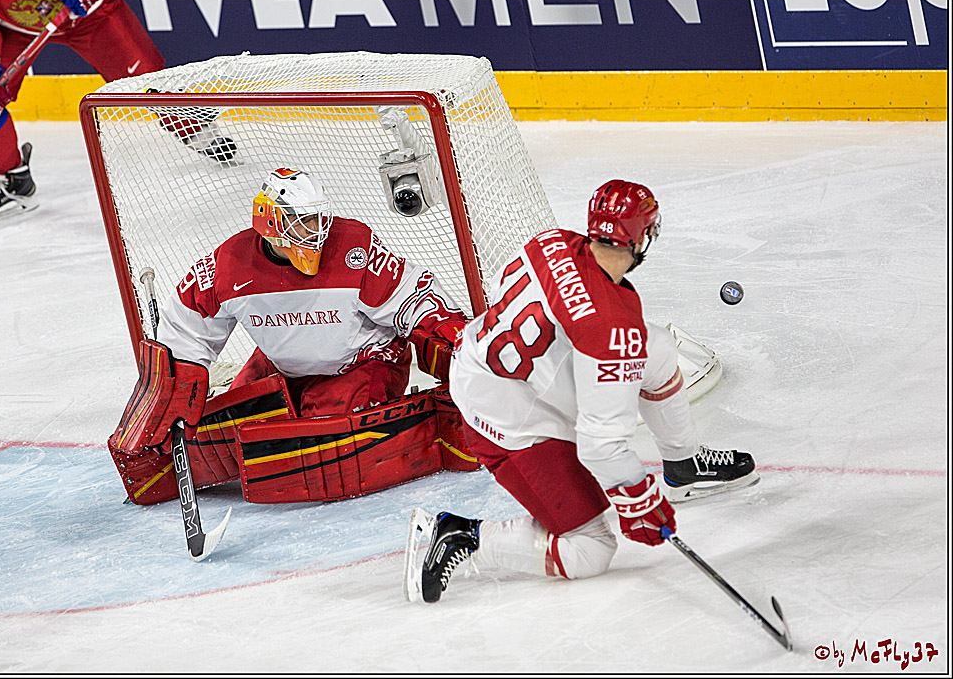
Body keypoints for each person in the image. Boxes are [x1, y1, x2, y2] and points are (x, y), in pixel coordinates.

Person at [404, 179, 759, 604]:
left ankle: (682, 467)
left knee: (658, 350)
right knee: (591, 549)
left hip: (487, 360)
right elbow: (599, 444)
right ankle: (461, 534)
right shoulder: (610, 327)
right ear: (639, 236)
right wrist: (635, 496)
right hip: (506, 421)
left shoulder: (551, 242)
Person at [107, 167, 472, 506]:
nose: (316, 231)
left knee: (321, 446)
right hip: (279, 363)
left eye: (318, 218)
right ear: (269, 222)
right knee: (223, 429)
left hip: (361, 362)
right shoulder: (230, 264)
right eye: (302, 221)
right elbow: (187, 326)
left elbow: (416, 297)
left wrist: (452, 343)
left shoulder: (355, 248)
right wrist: (172, 389)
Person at [0, 0, 222, 222]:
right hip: (19, 28)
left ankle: (203, 135)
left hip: (92, 16)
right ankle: (15, 180)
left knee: (147, 84)